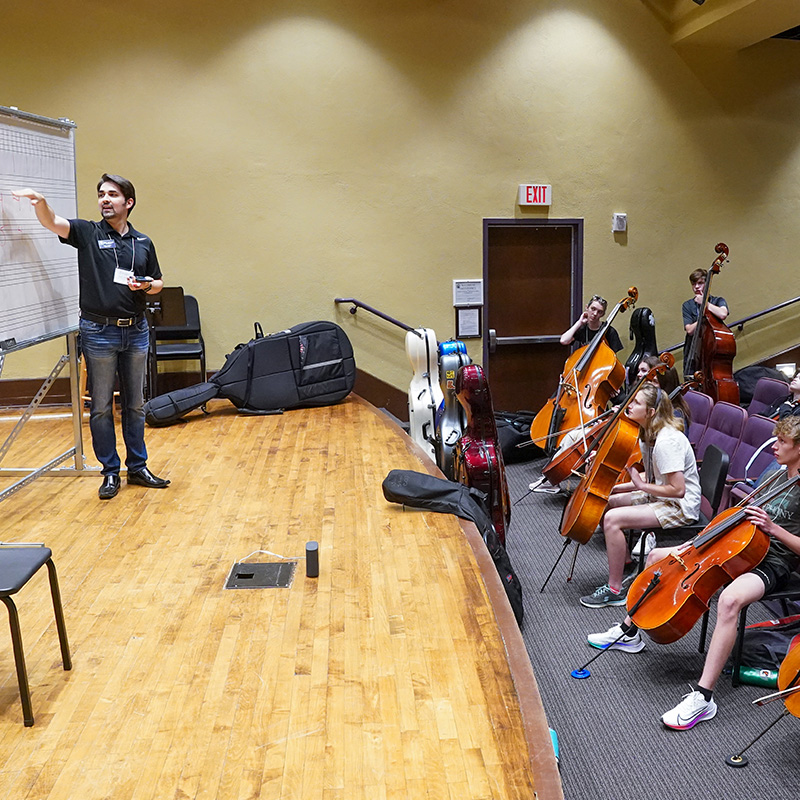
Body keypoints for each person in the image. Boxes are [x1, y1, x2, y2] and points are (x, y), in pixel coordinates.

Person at [586, 415, 800, 731]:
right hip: (740, 548)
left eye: (782, 443)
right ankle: (629, 633)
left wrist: (772, 529)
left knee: (729, 600)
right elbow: (739, 517)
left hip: (776, 563)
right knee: (657, 556)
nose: (774, 448)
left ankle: (703, 696)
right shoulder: (778, 475)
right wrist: (694, 544)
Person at [13, 175, 170, 499]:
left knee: (135, 406)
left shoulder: (143, 242)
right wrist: (40, 202)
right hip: (98, 332)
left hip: (136, 330)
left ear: (129, 202)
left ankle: (137, 467)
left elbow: (158, 283)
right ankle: (110, 472)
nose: (105, 199)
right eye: (101, 194)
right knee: (100, 407)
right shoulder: (87, 232)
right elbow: (52, 222)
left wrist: (145, 285)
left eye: (113, 194)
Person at [579, 382, 701, 608]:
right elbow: (652, 478)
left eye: (636, 402)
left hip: (679, 506)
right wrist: (616, 488)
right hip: (663, 496)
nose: (629, 404)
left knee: (612, 519)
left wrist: (639, 486)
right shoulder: (648, 434)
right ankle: (624, 561)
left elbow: (678, 489)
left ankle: (615, 590)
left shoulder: (667, 442)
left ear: (651, 412)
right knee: (609, 502)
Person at [682, 268, 729, 377]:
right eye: (694, 284)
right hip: (693, 352)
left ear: (707, 284)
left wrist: (705, 304)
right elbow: (689, 330)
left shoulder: (718, 300)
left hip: (713, 353)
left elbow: (723, 314)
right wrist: (701, 318)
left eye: (700, 283)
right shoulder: (687, 305)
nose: (696, 287)